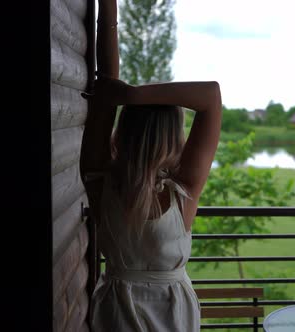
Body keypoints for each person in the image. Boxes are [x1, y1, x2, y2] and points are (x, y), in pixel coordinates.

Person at [80, 0, 221, 331]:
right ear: (172, 137)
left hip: (115, 311)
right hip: (175, 314)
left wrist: (123, 96)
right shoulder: (183, 189)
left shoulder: (101, 178)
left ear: (125, 130)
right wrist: (132, 96)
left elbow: (106, 85)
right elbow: (211, 96)